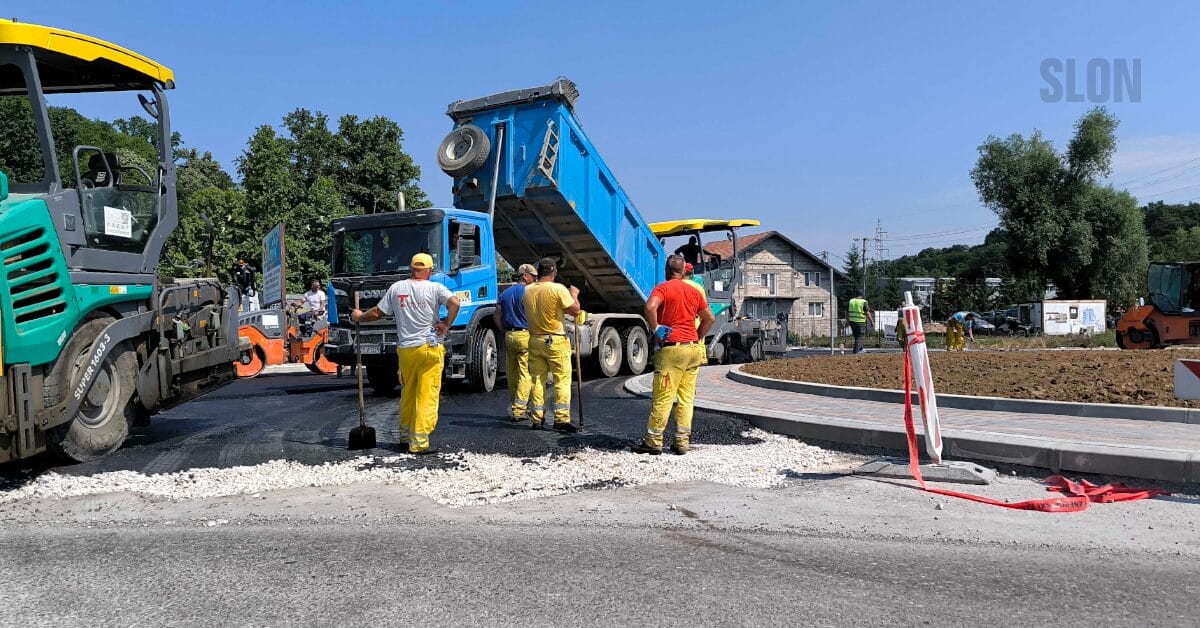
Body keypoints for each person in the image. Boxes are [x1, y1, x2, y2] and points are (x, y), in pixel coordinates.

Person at [350, 253, 460, 454]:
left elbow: (377, 313)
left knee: (408, 392)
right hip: (429, 348)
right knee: (427, 394)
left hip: (406, 350)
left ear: (411, 268)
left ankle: (404, 435)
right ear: (429, 270)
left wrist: (359, 317)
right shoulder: (435, 288)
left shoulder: (397, 288)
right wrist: (446, 324)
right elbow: (455, 303)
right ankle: (418, 442)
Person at [633, 255, 715, 456]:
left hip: (672, 349)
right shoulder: (693, 290)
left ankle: (653, 441)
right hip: (693, 350)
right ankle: (681, 442)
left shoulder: (663, 288)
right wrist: (697, 336)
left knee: (663, 396)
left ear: (666, 270)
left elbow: (650, 307)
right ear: (683, 271)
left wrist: (656, 328)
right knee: (686, 398)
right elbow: (709, 318)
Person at [523, 257, 581, 431]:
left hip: (534, 339)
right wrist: (574, 295)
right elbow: (575, 310)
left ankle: (537, 418)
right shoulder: (558, 289)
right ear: (554, 272)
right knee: (561, 380)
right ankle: (561, 419)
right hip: (555, 340)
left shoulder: (528, 290)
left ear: (539, 272)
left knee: (537, 380)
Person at [494, 263, 538, 421]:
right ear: (525, 276)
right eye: (533, 277)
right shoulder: (529, 292)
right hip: (525, 336)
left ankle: (515, 405)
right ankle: (520, 410)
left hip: (509, 336)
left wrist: (504, 331)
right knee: (525, 374)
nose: (535, 280)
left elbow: (496, 316)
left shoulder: (505, 293)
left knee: (512, 375)